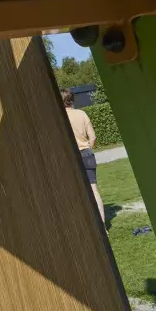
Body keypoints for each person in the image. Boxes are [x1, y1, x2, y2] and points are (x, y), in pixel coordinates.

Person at [61, 88, 104, 225]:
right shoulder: (82, 114)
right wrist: (87, 149)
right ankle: (102, 225)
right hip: (86, 153)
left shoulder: (59, 117)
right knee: (94, 190)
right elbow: (93, 137)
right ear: (72, 100)